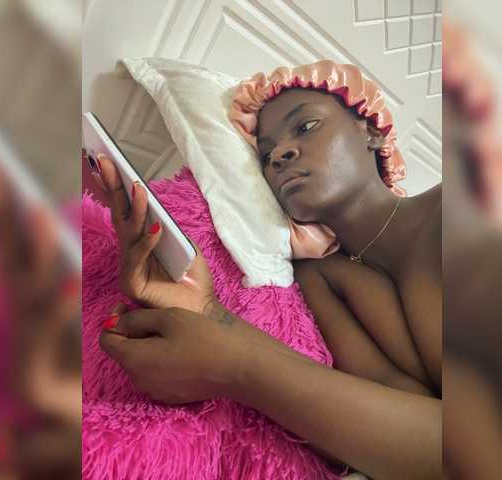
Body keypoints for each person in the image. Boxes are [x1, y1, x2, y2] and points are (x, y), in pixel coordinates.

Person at [97, 60, 442, 480]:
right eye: (265, 154)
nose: (280, 154)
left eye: (306, 126)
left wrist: (234, 368)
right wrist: (206, 311)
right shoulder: (322, 278)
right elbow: (388, 415)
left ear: (371, 130)